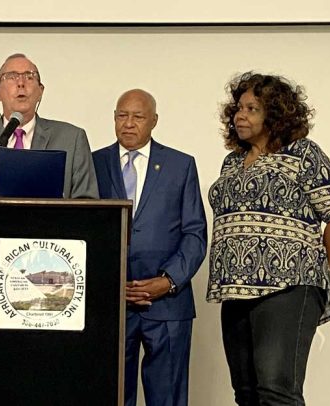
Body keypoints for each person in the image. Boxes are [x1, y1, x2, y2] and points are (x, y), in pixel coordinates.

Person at [207, 72, 330, 405]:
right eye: (239, 108)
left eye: (252, 109)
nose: (241, 115)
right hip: (235, 292)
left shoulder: (303, 154)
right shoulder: (231, 163)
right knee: (245, 393)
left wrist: (315, 280)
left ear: (274, 115)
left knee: (277, 391)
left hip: (289, 289)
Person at [93, 89, 207, 406]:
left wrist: (167, 281)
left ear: (154, 121)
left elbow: (195, 233)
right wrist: (111, 280)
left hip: (168, 304)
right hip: (112, 303)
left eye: (138, 116)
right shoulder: (93, 163)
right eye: (121, 115)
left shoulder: (180, 165)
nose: (128, 123)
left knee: (167, 398)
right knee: (111, 395)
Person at [0, 53, 99, 228]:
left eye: (29, 77)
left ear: (41, 91)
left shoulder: (72, 138)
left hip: (51, 246)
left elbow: (88, 204)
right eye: (11, 77)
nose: (21, 83)